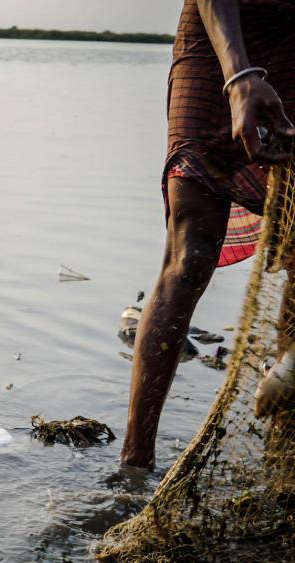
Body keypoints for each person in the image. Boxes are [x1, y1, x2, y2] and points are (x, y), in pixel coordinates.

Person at [121, 0, 295, 471]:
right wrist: (239, 77)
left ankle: (280, 453)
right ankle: (135, 461)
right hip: (218, 36)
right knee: (191, 255)